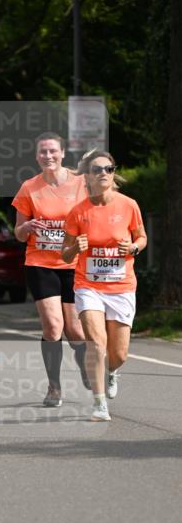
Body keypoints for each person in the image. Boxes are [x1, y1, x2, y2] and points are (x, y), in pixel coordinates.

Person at [61, 150, 146, 422]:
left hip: (122, 286)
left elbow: (141, 237)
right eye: (97, 169)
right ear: (87, 175)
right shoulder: (77, 212)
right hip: (89, 286)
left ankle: (112, 371)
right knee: (96, 343)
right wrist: (75, 247)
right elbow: (64, 254)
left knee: (118, 353)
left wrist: (132, 247)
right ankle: (99, 404)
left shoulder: (128, 205)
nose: (103, 174)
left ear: (113, 173)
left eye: (108, 169)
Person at [13, 133, 89, 407]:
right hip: (40, 263)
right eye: (43, 152)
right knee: (54, 326)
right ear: (37, 156)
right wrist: (27, 227)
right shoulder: (29, 188)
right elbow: (19, 234)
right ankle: (54, 387)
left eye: (52, 151)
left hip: (74, 263)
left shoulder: (81, 183)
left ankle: (84, 366)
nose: (48, 156)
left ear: (63, 153)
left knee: (77, 332)